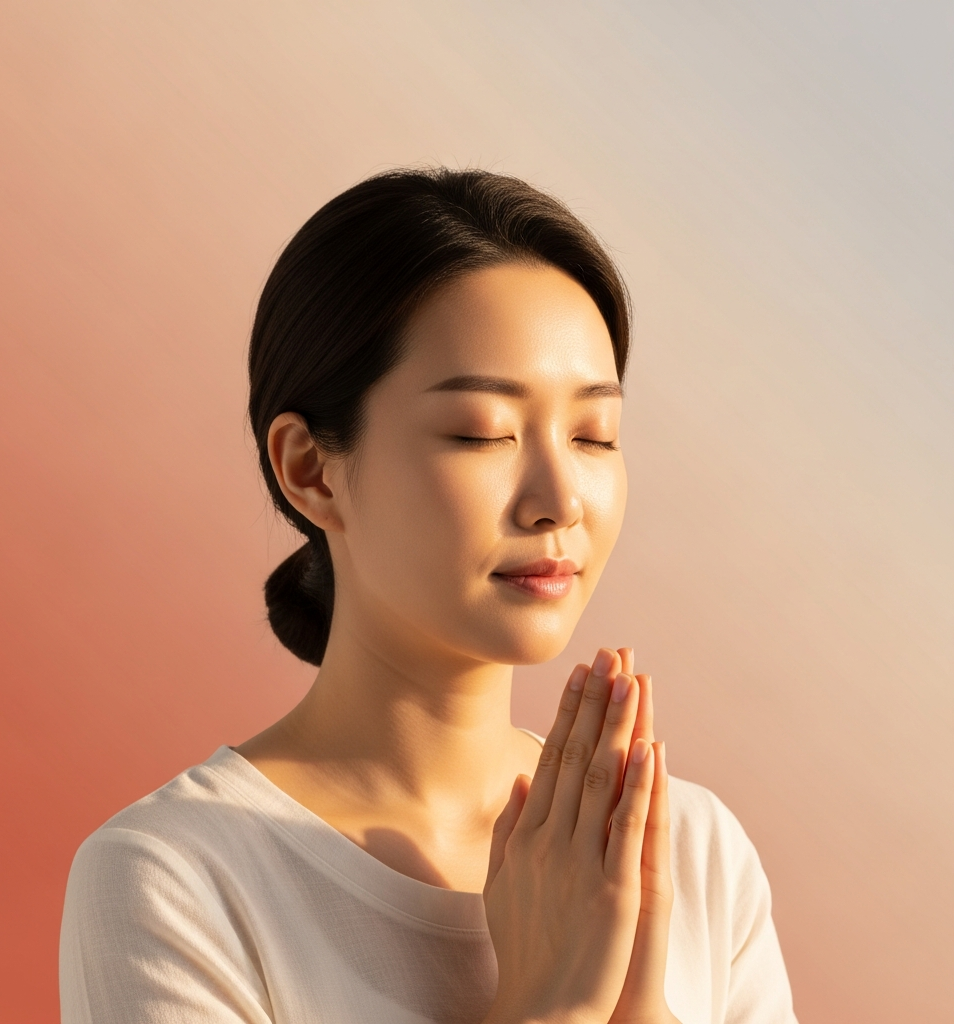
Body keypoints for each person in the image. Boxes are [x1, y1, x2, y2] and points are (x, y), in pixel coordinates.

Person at [59, 168, 798, 1024]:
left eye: (594, 435)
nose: (560, 499)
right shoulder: (176, 877)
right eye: (483, 434)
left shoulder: (690, 854)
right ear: (310, 470)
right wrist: (551, 1008)